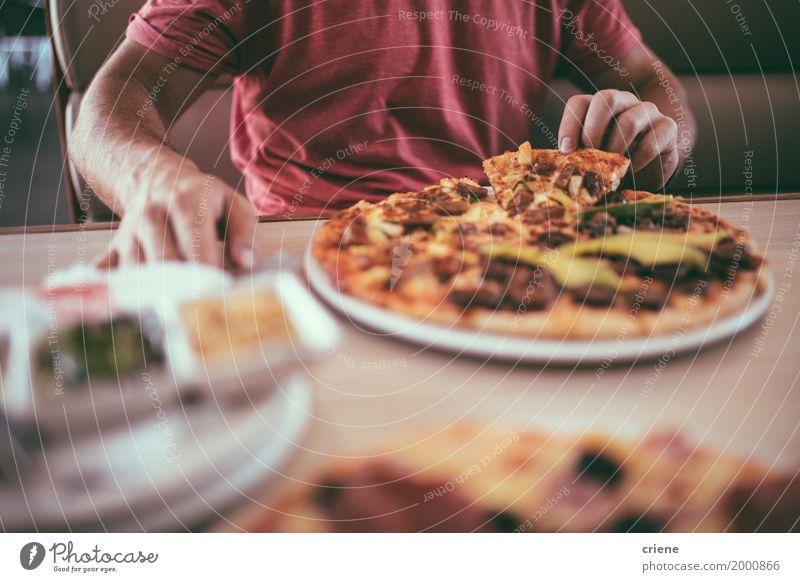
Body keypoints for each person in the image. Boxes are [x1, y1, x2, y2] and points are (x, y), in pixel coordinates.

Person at [70, 0, 695, 269]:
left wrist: (649, 132)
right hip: (302, 259)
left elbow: (652, 82)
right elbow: (109, 105)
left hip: (510, 255)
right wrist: (153, 179)